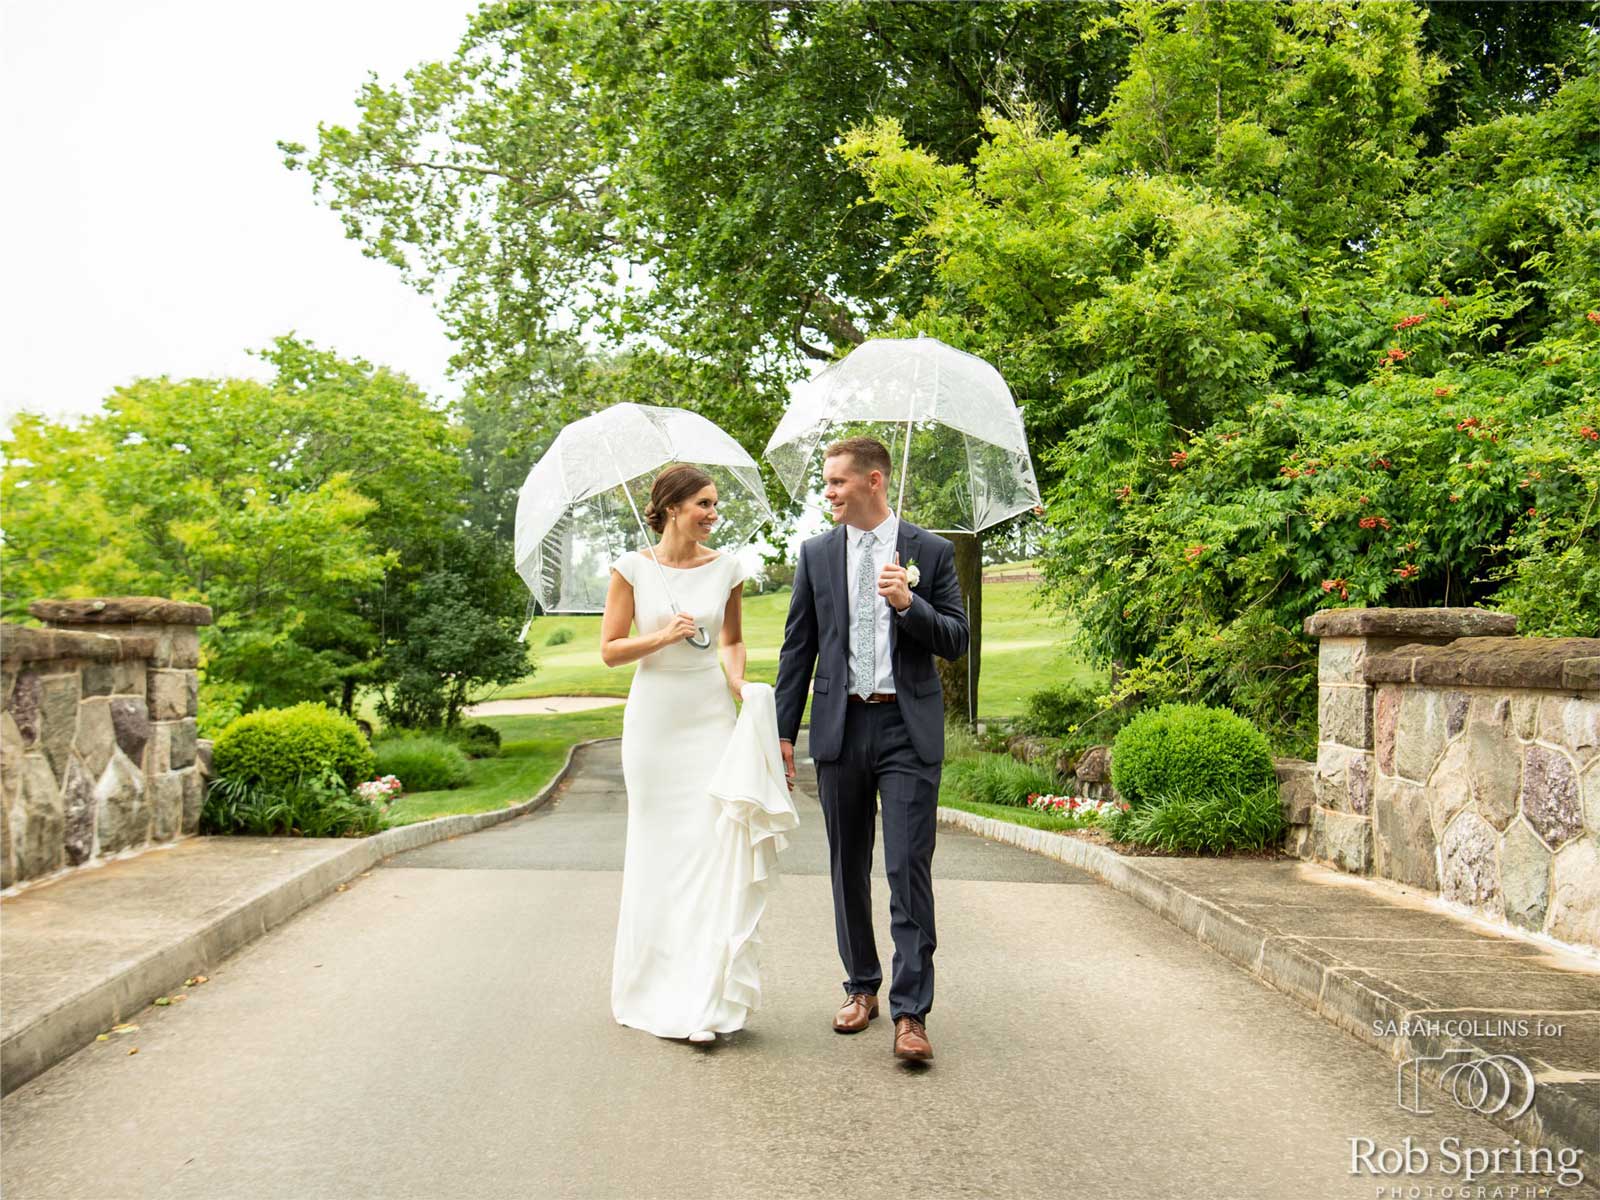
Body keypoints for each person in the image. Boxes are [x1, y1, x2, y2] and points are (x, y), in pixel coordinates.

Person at [773, 437, 969, 1062]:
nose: (827, 492)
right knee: (845, 865)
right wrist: (782, 732)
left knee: (907, 868)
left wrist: (909, 605)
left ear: (875, 481)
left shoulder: (930, 553)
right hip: (839, 728)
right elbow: (797, 650)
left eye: (836, 482)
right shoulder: (815, 554)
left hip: (906, 730)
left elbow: (957, 639)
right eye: (826, 483)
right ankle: (861, 986)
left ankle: (912, 1014)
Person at [601, 463, 786, 1044]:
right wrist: (662, 635)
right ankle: (653, 988)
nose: (713, 513)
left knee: (712, 852)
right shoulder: (631, 568)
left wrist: (738, 684)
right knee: (659, 853)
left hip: (709, 718)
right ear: (673, 506)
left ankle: (705, 998)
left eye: (714, 504)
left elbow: (731, 640)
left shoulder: (727, 568)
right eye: (703, 503)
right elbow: (610, 650)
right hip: (654, 723)